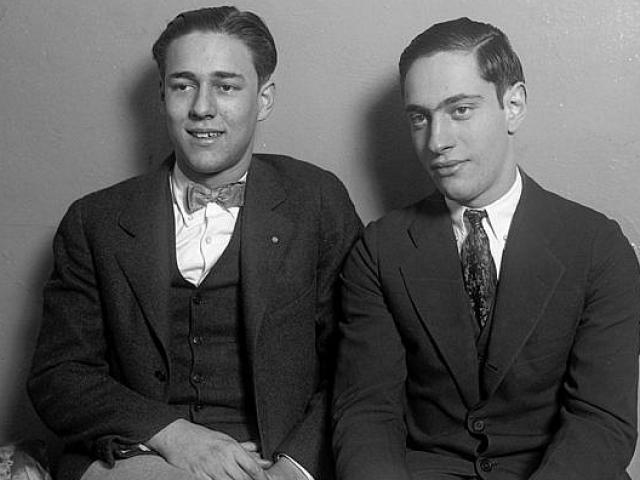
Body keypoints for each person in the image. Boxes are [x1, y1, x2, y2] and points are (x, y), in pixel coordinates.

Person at [28, 6, 361, 480]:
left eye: (226, 87)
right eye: (184, 85)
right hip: (137, 455)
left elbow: (358, 363)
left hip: (276, 459)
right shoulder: (94, 220)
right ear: (162, 95)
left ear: (264, 99)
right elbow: (59, 376)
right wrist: (174, 436)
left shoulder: (318, 200)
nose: (202, 107)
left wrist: (293, 468)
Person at [332, 17, 640, 480]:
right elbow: (366, 414)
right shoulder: (379, 250)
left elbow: (601, 421)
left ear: (513, 105)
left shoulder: (598, 247)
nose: (437, 141)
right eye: (419, 117)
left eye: (460, 110)